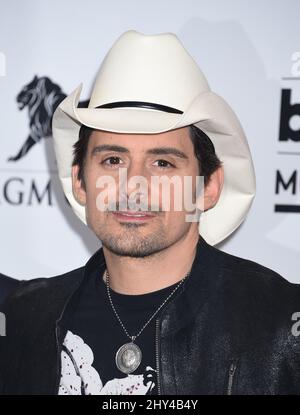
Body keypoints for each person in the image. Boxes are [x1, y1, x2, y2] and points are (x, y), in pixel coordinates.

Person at [1, 30, 300, 395]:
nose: (133, 185)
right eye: (113, 159)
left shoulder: (282, 326)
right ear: (80, 181)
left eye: (162, 162)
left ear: (208, 187)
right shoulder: (22, 320)